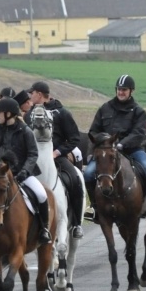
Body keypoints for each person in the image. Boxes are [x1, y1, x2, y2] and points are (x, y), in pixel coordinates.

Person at [84, 74, 146, 219]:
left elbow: (139, 133)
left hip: (132, 150)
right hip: (107, 152)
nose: (121, 92)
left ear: (131, 91)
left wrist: (122, 144)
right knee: (88, 173)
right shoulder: (105, 108)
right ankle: (94, 207)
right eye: (119, 89)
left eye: (124, 90)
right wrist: (95, 149)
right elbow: (93, 131)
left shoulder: (138, 111)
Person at [0, 97, 52, 245]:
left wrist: (24, 172)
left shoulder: (25, 131)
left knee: (41, 194)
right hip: (0, 175)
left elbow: (33, 154)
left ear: (8, 114)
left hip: (23, 174)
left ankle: (44, 229)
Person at [24, 80, 85, 239]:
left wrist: (57, 152)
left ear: (39, 94)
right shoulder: (29, 114)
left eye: (32, 93)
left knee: (75, 179)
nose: (30, 96)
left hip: (57, 157)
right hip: (34, 159)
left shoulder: (62, 113)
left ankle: (77, 224)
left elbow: (74, 138)